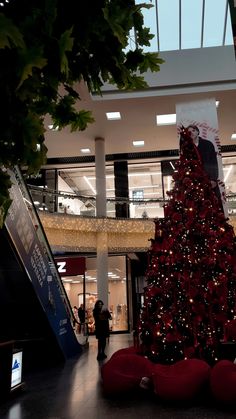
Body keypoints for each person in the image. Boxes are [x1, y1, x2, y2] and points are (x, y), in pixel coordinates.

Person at [183, 124, 222, 205]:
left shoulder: (208, 144)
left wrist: (213, 179)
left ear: (198, 132)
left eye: (193, 130)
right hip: (194, 182)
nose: (192, 133)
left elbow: (213, 162)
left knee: (213, 205)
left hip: (209, 180)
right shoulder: (186, 148)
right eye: (189, 132)